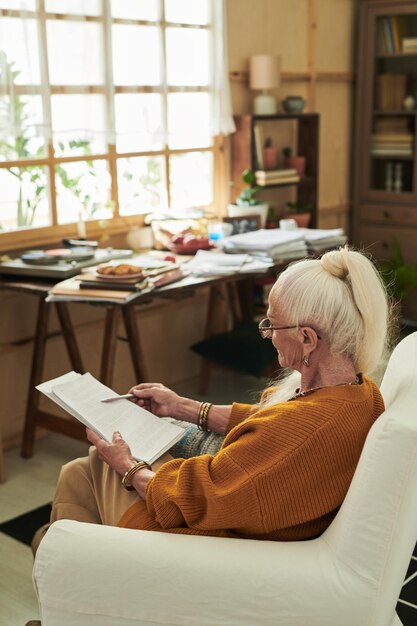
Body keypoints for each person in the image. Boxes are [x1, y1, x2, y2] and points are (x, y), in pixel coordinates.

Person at [32, 246, 391, 553]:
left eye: (271, 325)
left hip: (200, 543)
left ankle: (69, 571)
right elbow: (270, 427)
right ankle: (67, 572)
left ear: (308, 338)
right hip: (230, 520)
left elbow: (197, 498)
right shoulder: (357, 392)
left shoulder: (306, 428)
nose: (267, 335)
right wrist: (182, 407)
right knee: (75, 473)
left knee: (98, 458)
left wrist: (128, 466)